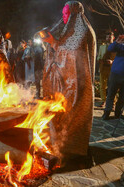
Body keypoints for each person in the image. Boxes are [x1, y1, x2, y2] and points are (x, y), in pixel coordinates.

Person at [41, 1, 96, 157]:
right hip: (64, 85)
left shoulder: (81, 30)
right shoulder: (68, 30)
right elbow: (61, 46)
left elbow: (72, 56)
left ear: (73, 13)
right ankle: (60, 147)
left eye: (66, 13)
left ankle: (71, 151)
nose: (63, 17)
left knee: (73, 117)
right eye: (63, 13)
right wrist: (51, 39)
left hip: (76, 85)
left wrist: (53, 43)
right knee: (60, 115)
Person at [102, 35, 124, 120]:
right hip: (115, 74)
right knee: (111, 94)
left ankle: (117, 114)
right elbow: (110, 48)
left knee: (122, 97)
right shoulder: (120, 45)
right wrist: (116, 42)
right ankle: (106, 113)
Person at [97, 32, 116, 107]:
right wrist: (100, 59)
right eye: (107, 37)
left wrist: (112, 62)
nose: (108, 38)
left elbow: (120, 58)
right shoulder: (102, 47)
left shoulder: (116, 47)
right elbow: (98, 57)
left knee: (112, 86)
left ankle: (113, 102)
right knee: (102, 86)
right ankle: (103, 101)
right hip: (103, 67)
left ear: (113, 38)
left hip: (113, 69)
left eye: (110, 37)